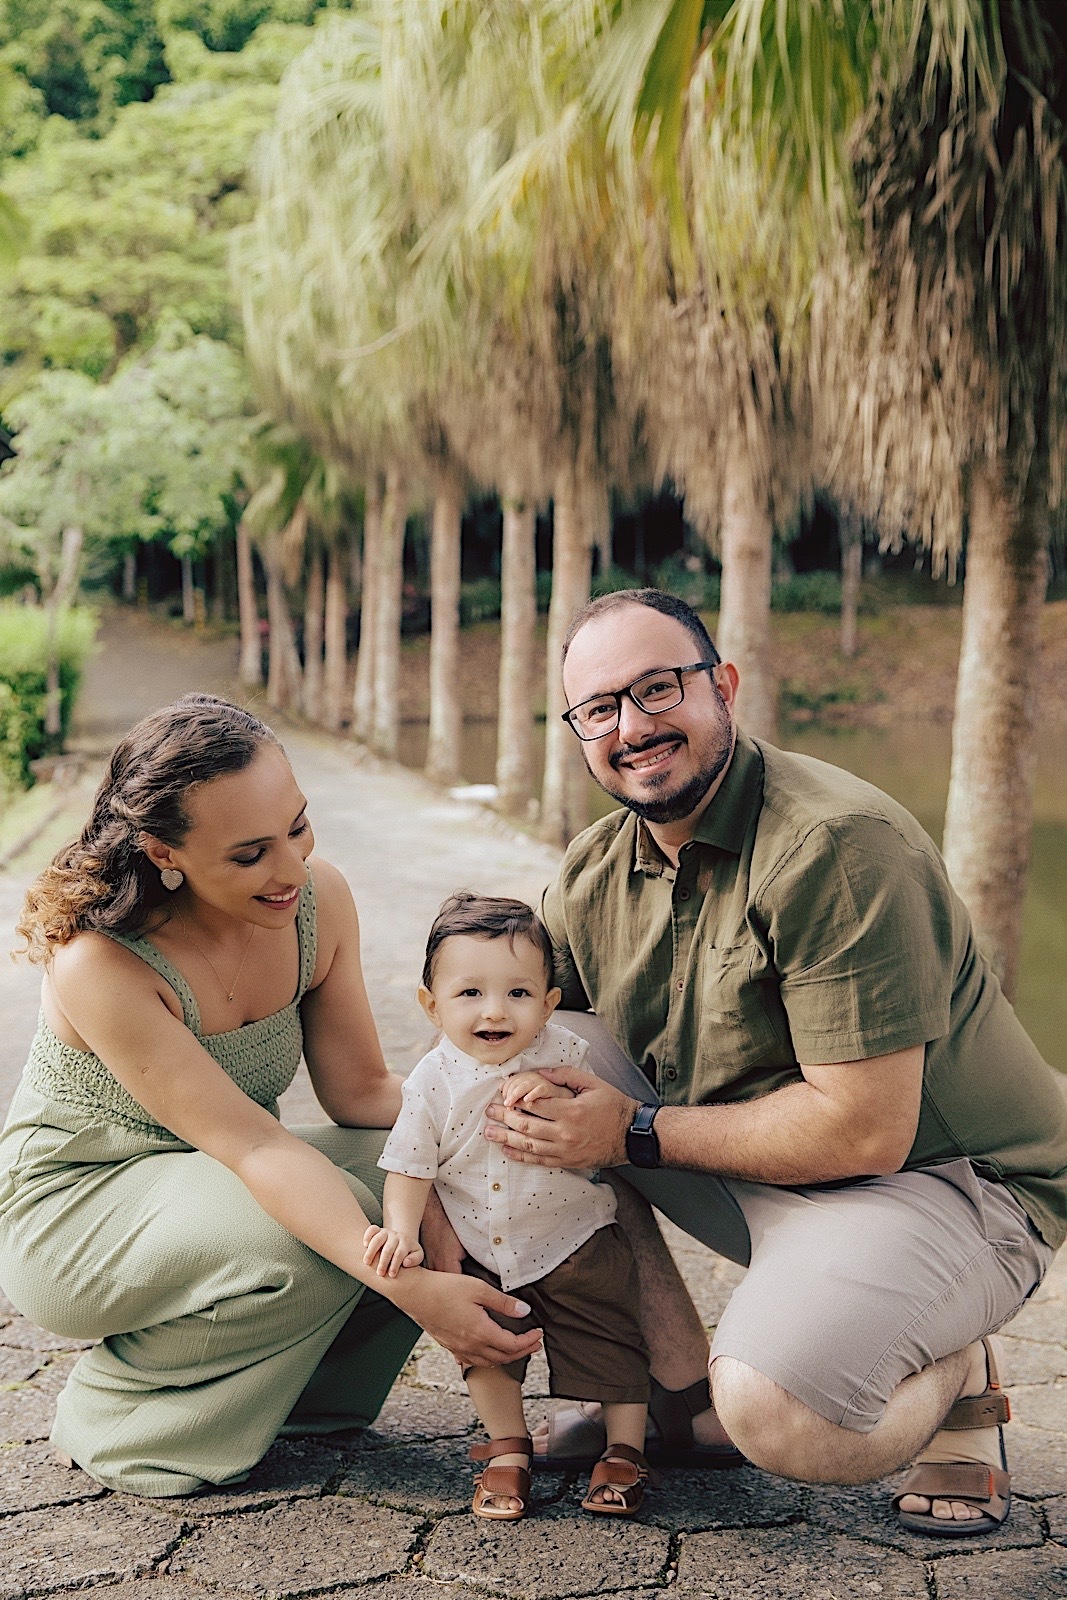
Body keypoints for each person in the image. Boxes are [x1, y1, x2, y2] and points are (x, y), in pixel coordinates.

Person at [480, 588, 1067, 1540]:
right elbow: (500, 1046)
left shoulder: (832, 847)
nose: (631, 727)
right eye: (598, 708)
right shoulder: (593, 870)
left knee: (780, 1419)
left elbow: (866, 1129)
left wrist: (629, 1131)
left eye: (658, 689)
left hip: (945, 1183)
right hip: (754, 1162)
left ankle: (960, 1370)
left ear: (725, 687)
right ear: (577, 730)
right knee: (529, 1074)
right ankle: (664, 1392)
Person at [0, 696, 540, 1496]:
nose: (289, 869)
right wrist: (418, 1291)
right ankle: (119, 1415)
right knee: (323, 1233)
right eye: (250, 854)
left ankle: (294, 1400)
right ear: (163, 852)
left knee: (448, 1173)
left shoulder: (318, 901)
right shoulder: (101, 962)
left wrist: (499, 1111)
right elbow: (255, 1146)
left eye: (297, 827)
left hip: (221, 1183)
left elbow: (359, 1093)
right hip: (79, 1215)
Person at [363, 891, 652, 1520]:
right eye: (470, 994)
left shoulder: (564, 1055)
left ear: (549, 1004)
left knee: (612, 1340)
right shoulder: (429, 1084)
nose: (495, 1011)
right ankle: (507, 1448)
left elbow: (593, 1102)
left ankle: (625, 1447)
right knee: (490, 1352)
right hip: (480, 1247)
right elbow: (411, 1166)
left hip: (575, 1239)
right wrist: (400, 1231)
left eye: (519, 994)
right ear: (430, 1005)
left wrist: (548, 1084)